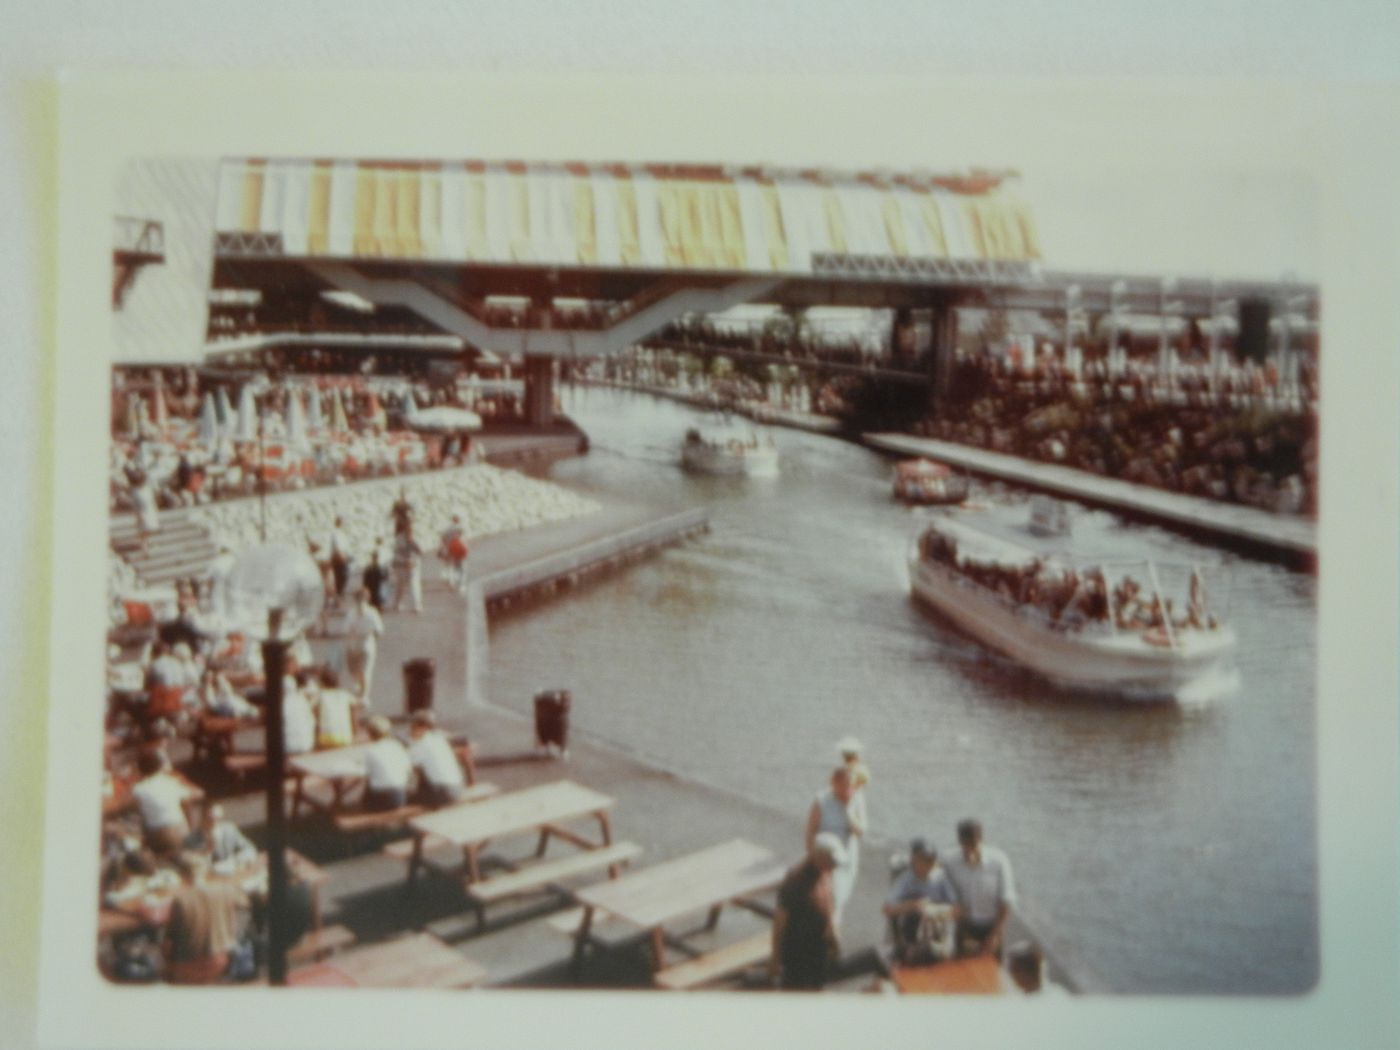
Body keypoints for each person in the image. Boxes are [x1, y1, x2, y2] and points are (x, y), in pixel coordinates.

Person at [770, 832, 845, 991]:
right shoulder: (795, 880)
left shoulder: (826, 873)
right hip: (797, 951)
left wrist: (833, 932)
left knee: (817, 992)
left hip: (818, 949)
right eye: (832, 861)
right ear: (819, 857)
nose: (835, 866)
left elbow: (829, 902)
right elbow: (779, 921)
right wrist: (775, 958)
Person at [162, 851, 250, 985]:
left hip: (187, 964)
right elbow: (245, 904)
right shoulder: (226, 890)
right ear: (208, 872)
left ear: (181, 875)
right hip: (221, 960)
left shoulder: (180, 898)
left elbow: (171, 937)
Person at [941, 818, 1017, 960]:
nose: (969, 851)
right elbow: (942, 889)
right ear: (959, 842)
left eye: (973, 845)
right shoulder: (949, 860)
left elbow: (1007, 900)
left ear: (981, 839)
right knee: (962, 971)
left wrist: (994, 936)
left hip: (991, 925)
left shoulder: (999, 861)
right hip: (964, 925)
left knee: (992, 974)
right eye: (965, 846)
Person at [882, 838, 959, 965]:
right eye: (915, 859)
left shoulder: (941, 879)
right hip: (910, 928)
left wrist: (935, 910)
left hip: (935, 930)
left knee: (938, 952)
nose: (915, 864)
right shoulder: (906, 878)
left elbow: (959, 910)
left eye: (922, 861)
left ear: (932, 863)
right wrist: (912, 905)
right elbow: (887, 909)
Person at [805, 765, 864, 927]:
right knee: (824, 898)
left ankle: (831, 935)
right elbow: (810, 830)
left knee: (839, 900)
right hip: (824, 856)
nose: (848, 789)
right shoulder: (821, 801)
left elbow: (861, 831)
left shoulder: (856, 799)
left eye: (850, 785)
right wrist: (811, 856)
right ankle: (826, 931)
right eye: (844, 785)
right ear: (834, 783)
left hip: (845, 859)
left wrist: (849, 810)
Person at [131, 749, 200, 856]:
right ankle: (192, 841)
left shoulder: (138, 789)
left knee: (140, 817)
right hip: (178, 834)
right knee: (186, 806)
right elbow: (197, 794)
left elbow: (131, 807)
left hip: (155, 837)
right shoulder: (170, 783)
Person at [406, 710, 466, 807]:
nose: (410, 730)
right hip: (458, 789)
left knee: (407, 798)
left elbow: (409, 769)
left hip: (444, 792)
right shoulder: (439, 739)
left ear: (423, 728)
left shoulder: (420, 744)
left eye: (413, 726)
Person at [362, 716, 413, 811]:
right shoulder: (397, 746)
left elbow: (366, 774)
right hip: (399, 797)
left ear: (369, 734)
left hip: (381, 798)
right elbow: (408, 769)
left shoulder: (370, 750)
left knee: (369, 785)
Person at [341, 588, 384, 700]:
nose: (360, 602)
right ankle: (359, 685)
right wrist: (351, 635)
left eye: (362, 599)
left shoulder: (372, 613)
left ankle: (364, 696)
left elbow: (379, 630)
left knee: (365, 671)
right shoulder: (351, 613)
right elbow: (345, 629)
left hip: (366, 645)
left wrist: (370, 633)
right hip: (353, 646)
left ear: (367, 599)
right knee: (354, 671)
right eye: (358, 599)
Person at [185, 803, 257, 866]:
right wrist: (208, 849)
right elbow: (194, 865)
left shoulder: (229, 829)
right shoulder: (193, 838)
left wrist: (236, 860)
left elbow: (249, 848)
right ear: (202, 819)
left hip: (230, 873)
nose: (214, 823)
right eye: (210, 819)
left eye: (218, 819)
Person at [314, 667, 358, 749]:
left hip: (326, 739)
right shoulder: (345, 695)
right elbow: (353, 716)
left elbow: (315, 718)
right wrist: (355, 733)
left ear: (322, 683)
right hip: (346, 738)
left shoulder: (320, 696)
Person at [392, 524, 424, 614]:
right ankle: (398, 602)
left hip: (413, 567)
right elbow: (395, 554)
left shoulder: (416, 539)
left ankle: (417, 605)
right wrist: (403, 561)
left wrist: (413, 561)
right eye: (408, 531)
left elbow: (420, 552)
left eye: (411, 532)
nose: (409, 533)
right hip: (401, 567)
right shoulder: (399, 540)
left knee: (415, 585)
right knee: (400, 586)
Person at [438, 515, 470, 594]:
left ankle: (452, 582)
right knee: (462, 568)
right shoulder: (462, 528)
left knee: (451, 566)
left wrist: (443, 548)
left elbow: (443, 538)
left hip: (451, 549)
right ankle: (462, 586)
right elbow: (464, 540)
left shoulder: (448, 529)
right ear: (459, 519)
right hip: (460, 550)